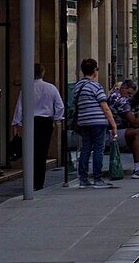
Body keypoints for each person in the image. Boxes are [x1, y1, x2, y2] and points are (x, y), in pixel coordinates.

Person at [11, 63, 64, 191]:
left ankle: (31, 180)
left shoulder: (27, 88)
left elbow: (20, 106)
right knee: (42, 151)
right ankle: (39, 182)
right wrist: (56, 119)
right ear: (43, 73)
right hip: (45, 122)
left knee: (31, 151)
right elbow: (60, 105)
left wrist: (16, 123)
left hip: (31, 121)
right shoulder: (51, 88)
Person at [72, 58, 118, 189]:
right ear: (94, 70)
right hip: (97, 121)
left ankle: (83, 179)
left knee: (85, 149)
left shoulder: (77, 87)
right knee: (98, 149)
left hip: (83, 122)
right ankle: (97, 178)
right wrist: (113, 125)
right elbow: (105, 107)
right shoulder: (96, 86)